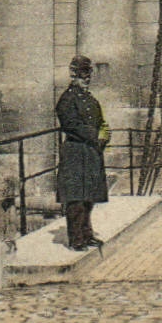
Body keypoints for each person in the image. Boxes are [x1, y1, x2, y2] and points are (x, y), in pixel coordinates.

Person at [55, 55, 109, 250]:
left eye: (88, 74)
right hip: (75, 153)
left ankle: (87, 234)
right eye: (83, 74)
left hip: (90, 152)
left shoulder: (89, 98)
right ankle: (76, 239)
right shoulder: (67, 99)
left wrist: (104, 135)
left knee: (89, 197)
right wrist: (95, 135)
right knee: (76, 198)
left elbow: (100, 120)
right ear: (74, 75)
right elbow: (71, 125)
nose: (87, 78)